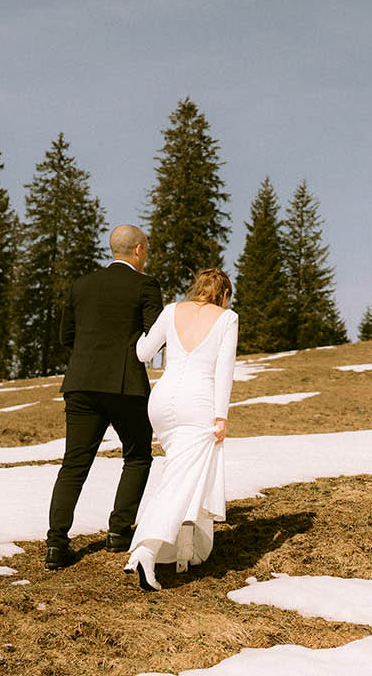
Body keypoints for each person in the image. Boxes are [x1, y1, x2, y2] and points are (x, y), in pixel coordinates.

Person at [43, 224, 162, 570]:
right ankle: (119, 532)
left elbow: (67, 336)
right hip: (126, 386)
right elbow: (155, 337)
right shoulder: (145, 285)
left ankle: (55, 544)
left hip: (81, 384)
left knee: (74, 463)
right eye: (147, 248)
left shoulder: (82, 285)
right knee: (138, 455)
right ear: (138, 249)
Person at [124, 267, 238, 590]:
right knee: (182, 480)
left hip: (161, 401)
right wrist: (221, 416)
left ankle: (177, 553)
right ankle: (147, 552)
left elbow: (143, 353)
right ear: (224, 295)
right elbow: (225, 371)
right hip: (198, 402)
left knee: (177, 475)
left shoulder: (171, 310)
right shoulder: (227, 319)